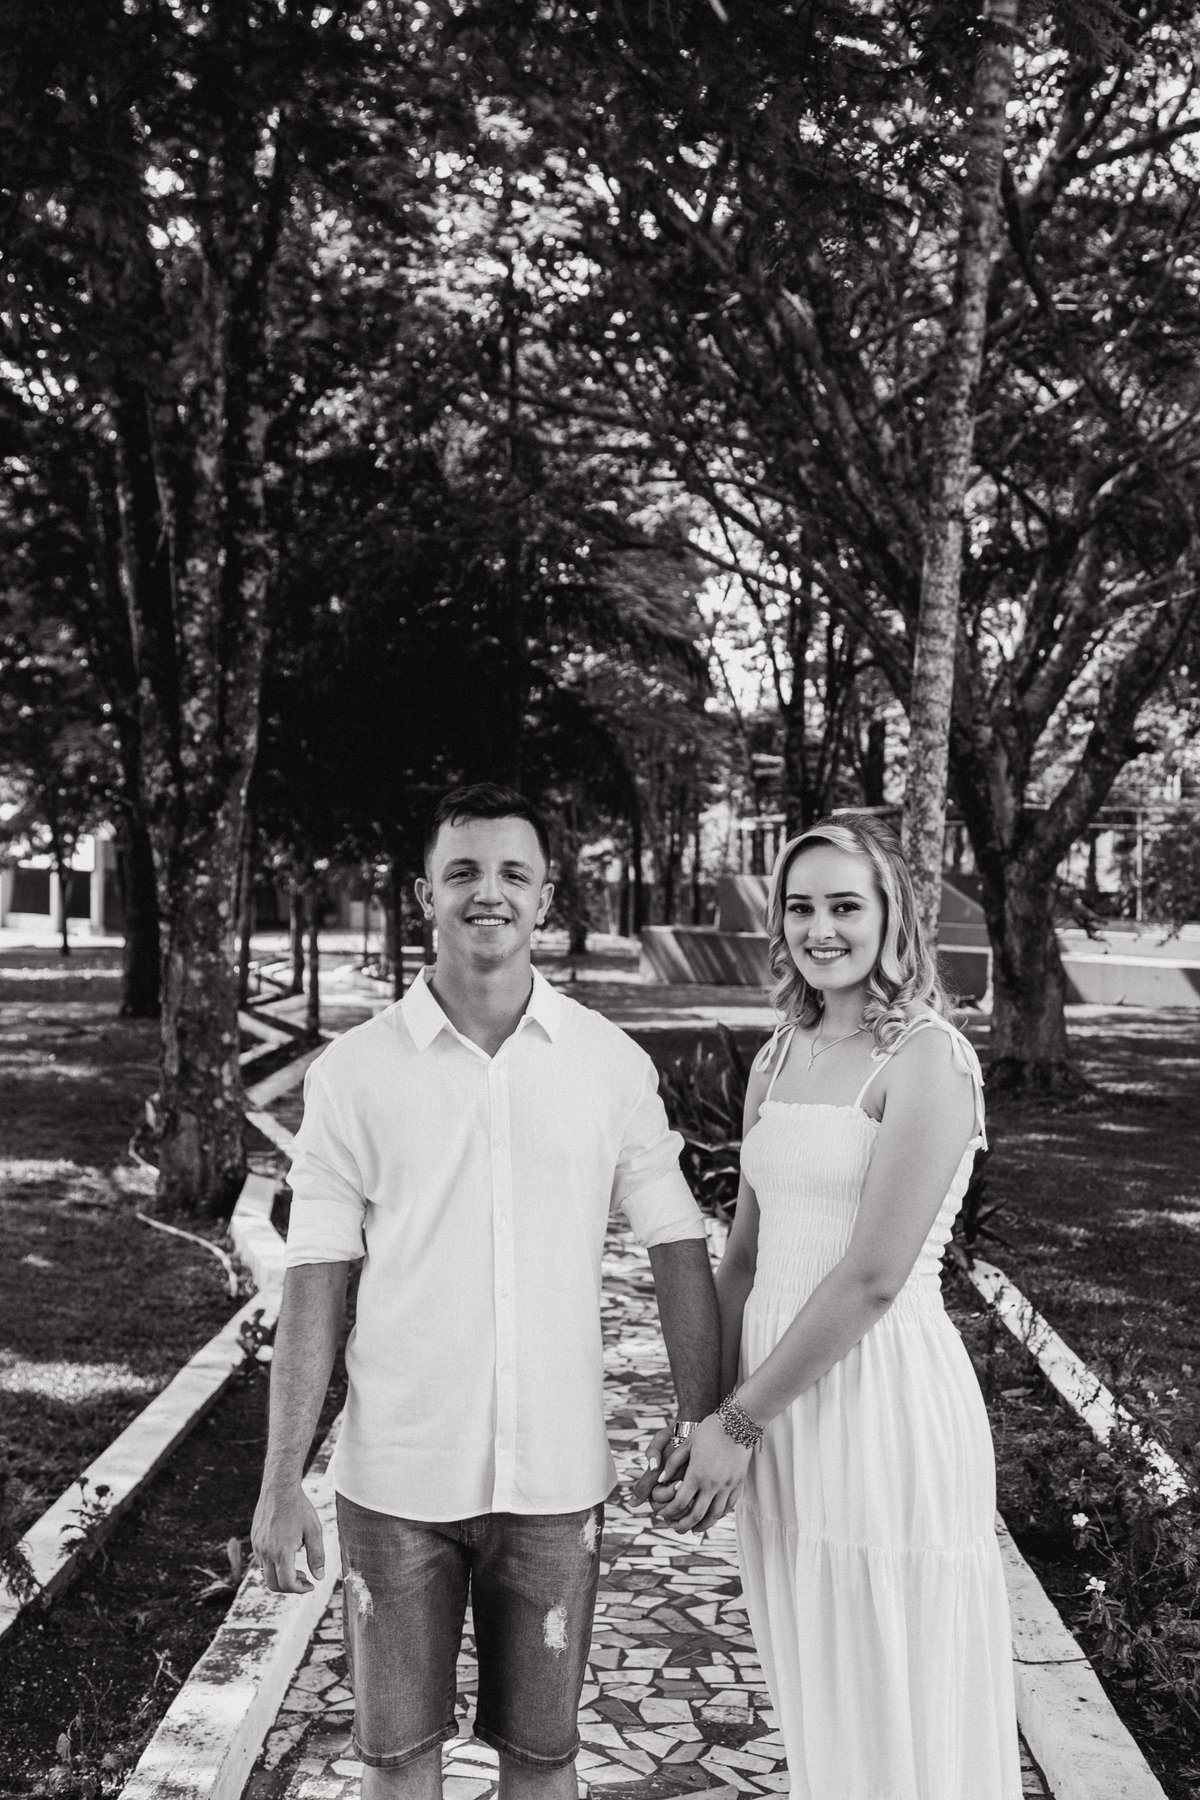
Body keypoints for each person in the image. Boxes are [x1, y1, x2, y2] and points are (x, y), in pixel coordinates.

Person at [251, 783, 719, 1800]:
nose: (488, 892)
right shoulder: (353, 1074)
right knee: (397, 1767)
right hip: (394, 1487)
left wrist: (701, 1417)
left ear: (546, 898)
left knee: (544, 1766)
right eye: (462, 871)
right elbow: (315, 1280)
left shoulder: (609, 1065)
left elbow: (679, 1243)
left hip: (555, 1482)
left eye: (514, 872)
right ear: (426, 895)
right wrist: (281, 1479)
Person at [647, 813, 1021, 1800]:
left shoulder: (930, 1060)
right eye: (801, 907)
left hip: (880, 1404)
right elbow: (743, 1260)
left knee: (894, 1689)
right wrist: (699, 1417)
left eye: (846, 906)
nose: (822, 929)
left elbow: (873, 1276)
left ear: (892, 915)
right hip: (777, 1422)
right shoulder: (779, 1055)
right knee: (817, 1690)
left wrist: (737, 1420)